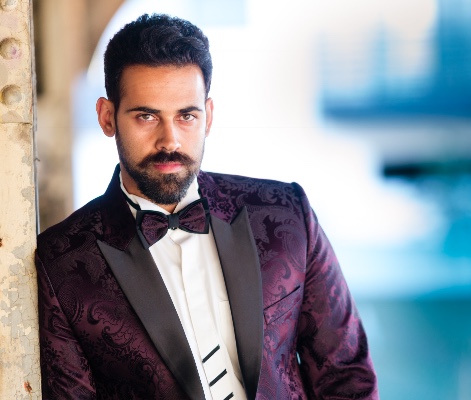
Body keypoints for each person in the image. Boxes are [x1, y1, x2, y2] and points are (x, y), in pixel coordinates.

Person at [36, 13, 378, 400]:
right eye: (146, 116)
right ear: (107, 117)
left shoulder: (286, 214)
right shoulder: (61, 261)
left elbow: (345, 374)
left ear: (208, 116)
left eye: (186, 116)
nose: (170, 140)